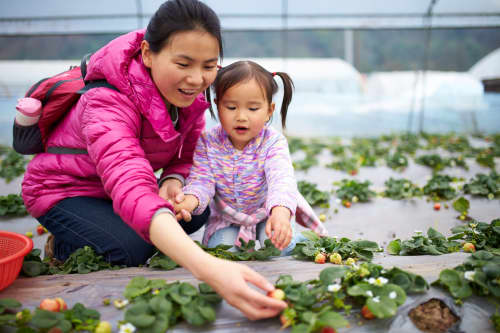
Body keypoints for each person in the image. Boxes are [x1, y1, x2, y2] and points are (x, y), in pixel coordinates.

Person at [21, 0, 286, 320]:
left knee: (196, 210)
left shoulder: (188, 95)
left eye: (208, 65)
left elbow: (186, 156)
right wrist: (210, 268)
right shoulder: (106, 101)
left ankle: (120, 228)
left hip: (116, 191)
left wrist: (173, 181)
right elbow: (130, 183)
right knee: (130, 249)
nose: (196, 79)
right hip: (65, 191)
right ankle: (65, 244)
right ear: (148, 53)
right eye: (184, 63)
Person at [172, 60, 328, 254]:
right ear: (218, 105)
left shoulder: (273, 142)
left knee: (279, 247)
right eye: (231, 107)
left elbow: (281, 180)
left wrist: (280, 213)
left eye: (253, 109)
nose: (241, 117)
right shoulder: (208, 141)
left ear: (269, 110)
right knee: (222, 251)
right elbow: (202, 181)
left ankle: (303, 239)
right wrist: (189, 200)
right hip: (226, 218)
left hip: (268, 213)